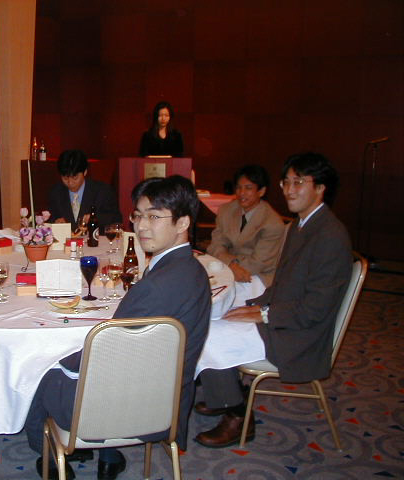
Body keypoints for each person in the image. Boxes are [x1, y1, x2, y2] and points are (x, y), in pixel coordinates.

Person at [26, 175, 212, 479]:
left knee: (42, 369)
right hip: (167, 395)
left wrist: (60, 361)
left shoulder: (159, 285)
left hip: (134, 406)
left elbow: (107, 354)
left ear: (182, 223)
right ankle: (108, 457)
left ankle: (47, 454)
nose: (141, 226)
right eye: (138, 215)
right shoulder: (191, 269)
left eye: (154, 216)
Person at [194, 152, 353, 448]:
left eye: (299, 182)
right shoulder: (301, 225)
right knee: (215, 318)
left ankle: (238, 416)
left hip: (300, 334)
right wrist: (255, 305)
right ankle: (227, 396)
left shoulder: (330, 236)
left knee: (211, 335)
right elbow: (282, 284)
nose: (289, 190)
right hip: (287, 317)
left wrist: (265, 314)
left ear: (320, 188)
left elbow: (315, 309)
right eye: (286, 182)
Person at [207, 165, 285, 303]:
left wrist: (228, 263)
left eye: (248, 188)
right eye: (238, 187)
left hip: (256, 276)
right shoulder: (226, 210)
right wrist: (231, 265)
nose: (241, 193)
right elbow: (215, 246)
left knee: (220, 301)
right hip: (228, 268)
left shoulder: (272, 223)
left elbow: (258, 263)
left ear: (261, 191)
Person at [48, 149, 122, 231]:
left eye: (75, 178)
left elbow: (116, 220)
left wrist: (96, 219)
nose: (70, 183)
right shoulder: (56, 192)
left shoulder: (103, 191)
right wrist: (55, 223)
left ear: (85, 172)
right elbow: (50, 219)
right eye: (65, 178)